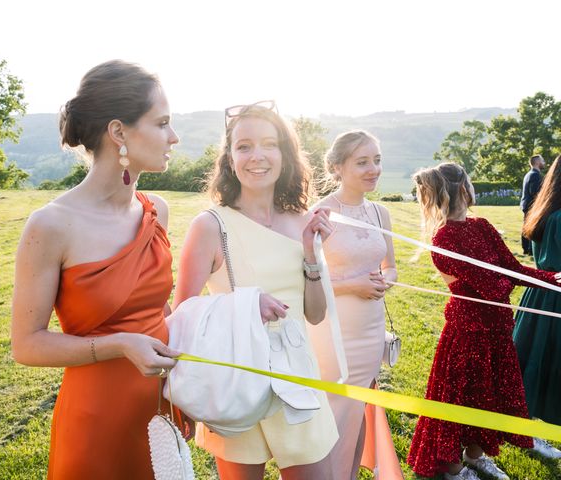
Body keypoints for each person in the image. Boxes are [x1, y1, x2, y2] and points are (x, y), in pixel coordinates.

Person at [11, 60, 182, 479]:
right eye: (162, 123)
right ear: (119, 132)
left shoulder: (156, 212)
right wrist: (119, 344)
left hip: (158, 409)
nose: (174, 137)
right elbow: (26, 345)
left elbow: (160, 316)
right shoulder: (51, 225)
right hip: (96, 418)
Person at [172, 100, 338, 480]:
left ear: (285, 155)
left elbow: (314, 314)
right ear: (229, 158)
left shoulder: (302, 221)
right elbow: (182, 314)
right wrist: (247, 305)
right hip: (237, 379)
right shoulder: (210, 225)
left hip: (298, 376)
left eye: (269, 144)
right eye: (244, 146)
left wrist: (312, 254)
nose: (257, 156)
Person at [407, 162, 561, 480]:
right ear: (464, 188)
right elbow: (494, 285)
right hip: (468, 333)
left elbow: (512, 269)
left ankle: (474, 456)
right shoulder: (444, 240)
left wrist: (552, 279)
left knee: (488, 398)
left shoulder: (483, 226)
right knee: (461, 399)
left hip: (498, 330)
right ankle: (452, 469)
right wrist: (508, 278)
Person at [308, 130, 402, 479]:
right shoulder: (320, 214)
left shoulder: (380, 213)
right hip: (334, 329)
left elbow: (390, 266)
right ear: (336, 168)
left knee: (361, 405)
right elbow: (304, 279)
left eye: (376, 160)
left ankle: (348, 473)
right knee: (336, 408)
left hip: (370, 326)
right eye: (362, 162)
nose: (372, 169)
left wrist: (384, 281)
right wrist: (352, 286)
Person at [514, 155, 561, 458]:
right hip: (554, 297)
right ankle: (532, 435)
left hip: (539, 295)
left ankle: (531, 432)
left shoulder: (545, 211)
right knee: (544, 364)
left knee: (537, 362)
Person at [520, 154, 545, 255]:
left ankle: (526, 249)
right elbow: (534, 192)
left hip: (527, 204)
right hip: (531, 205)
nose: (544, 163)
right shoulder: (535, 175)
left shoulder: (528, 174)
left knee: (526, 226)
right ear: (537, 162)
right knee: (531, 227)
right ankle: (529, 249)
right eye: (542, 161)